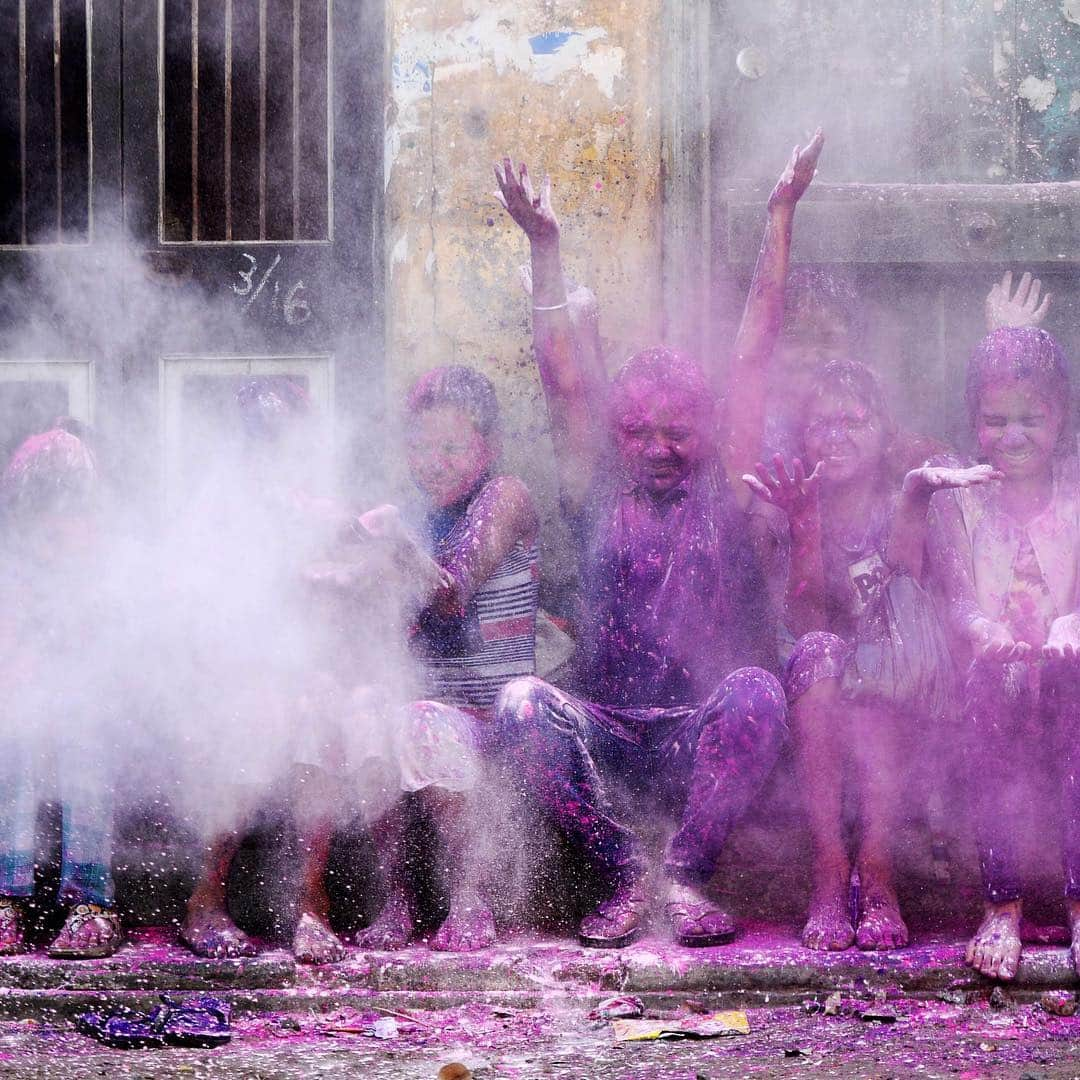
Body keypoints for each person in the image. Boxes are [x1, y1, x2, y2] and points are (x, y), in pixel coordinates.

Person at [490, 133, 823, 948]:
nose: (657, 447)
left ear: (707, 431)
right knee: (520, 704)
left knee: (757, 689)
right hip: (604, 723)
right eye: (637, 431)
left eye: (677, 431)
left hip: (692, 728)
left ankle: (684, 874)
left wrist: (779, 215)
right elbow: (561, 374)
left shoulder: (723, 485)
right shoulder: (596, 486)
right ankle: (619, 873)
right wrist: (546, 248)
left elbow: (753, 351)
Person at [745, 363, 995, 952]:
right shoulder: (789, 501)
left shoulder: (904, 494)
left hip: (906, 684)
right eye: (821, 424)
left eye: (854, 420)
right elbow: (805, 626)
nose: (837, 437)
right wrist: (804, 523)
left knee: (878, 666)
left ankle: (878, 867)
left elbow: (904, 595)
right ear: (802, 437)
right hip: (820, 683)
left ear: (883, 429)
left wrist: (915, 496)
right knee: (821, 655)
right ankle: (831, 869)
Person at [345, 364, 540, 952]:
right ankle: (398, 899)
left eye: (452, 446)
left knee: (421, 722)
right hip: (425, 711)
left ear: (490, 445)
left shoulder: (505, 495)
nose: (435, 461)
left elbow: (452, 594)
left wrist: (394, 541)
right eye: (421, 446)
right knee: (360, 709)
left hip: (495, 718)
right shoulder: (414, 510)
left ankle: (470, 896)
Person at [927, 322, 1080, 981]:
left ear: (1062, 417)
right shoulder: (957, 499)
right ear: (972, 421)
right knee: (990, 692)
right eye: (995, 420)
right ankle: (1003, 902)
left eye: (1031, 419)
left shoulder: (1077, 493)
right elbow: (957, 597)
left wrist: (1072, 624)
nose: (1013, 436)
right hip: (987, 679)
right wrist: (983, 632)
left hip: (1064, 672)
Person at [0, 423, 123, 959]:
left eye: (70, 511)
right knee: (13, 734)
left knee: (84, 735)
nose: (58, 528)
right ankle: (8, 893)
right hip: (25, 699)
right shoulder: (13, 563)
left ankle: (90, 900)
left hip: (98, 709)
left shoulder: (110, 561)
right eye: (46, 511)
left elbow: (114, 653)